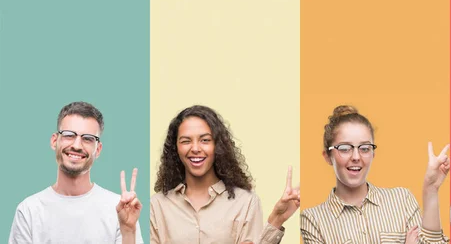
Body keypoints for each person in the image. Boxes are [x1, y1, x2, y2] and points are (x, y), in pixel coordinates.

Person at [150, 105, 300, 244]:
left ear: (218, 146)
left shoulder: (245, 203)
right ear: (175, 148)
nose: (195, 148)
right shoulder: (157, 206)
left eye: (205, 140)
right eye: (185, 141)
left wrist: (276, 219)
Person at [300, 105, 450, 244]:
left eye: (365, 148)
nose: (356, 157)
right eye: (345, 148)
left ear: (373, 154)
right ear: (327, 156)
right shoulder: (313, 220)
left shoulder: (401, 200)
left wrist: (431, 189)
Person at [8, 101, 143, 244]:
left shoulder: (119, 209)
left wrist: (128, 231)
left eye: (88, 139)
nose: (77, 146)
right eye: (69, 135)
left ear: (98, 149)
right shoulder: (29, 210)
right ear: (55, 141)